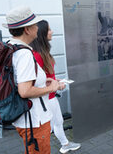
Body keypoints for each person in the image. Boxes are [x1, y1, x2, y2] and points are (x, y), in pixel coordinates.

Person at [2, 6, 62, 153]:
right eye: (35, 24)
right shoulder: (25, 54)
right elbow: (25, 90)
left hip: (26, 118)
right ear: (27, 29)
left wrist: (43, 81)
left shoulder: (11, 47)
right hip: (35, 120)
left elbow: (21, 82)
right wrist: (51, 88)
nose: (37, 27)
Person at [30, 20, 81, 154]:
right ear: (42, 34)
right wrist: (57, 85)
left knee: (55, 122)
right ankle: (65, 145)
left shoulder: (42, 52)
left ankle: (64, 144)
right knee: (57, 121)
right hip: (47, 97)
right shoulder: (38, 55)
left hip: (48, 96)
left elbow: (44, 76)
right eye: (49, 30)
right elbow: (36, 81)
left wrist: (55, 80)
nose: (52, 32)